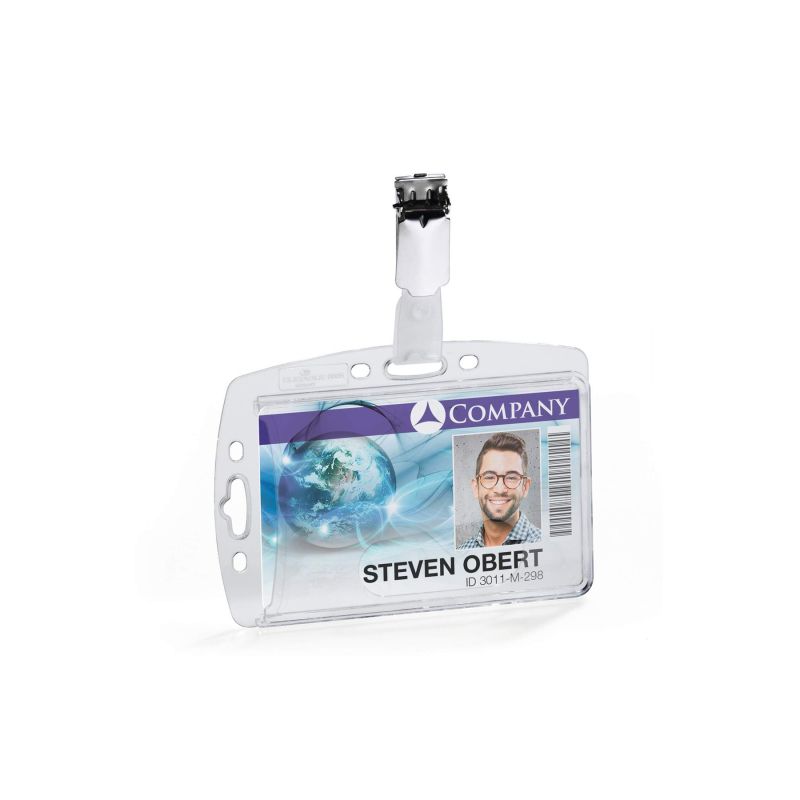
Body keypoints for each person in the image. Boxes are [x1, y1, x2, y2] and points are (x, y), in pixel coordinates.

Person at [458, 432, 542, 548]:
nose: (500, 489)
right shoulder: (463, 550)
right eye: (489, 477)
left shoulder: (545, 545)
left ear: (525, 487)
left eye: (511, 477)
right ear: (476, 487)